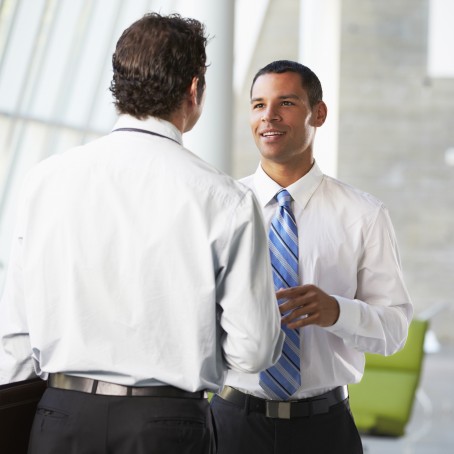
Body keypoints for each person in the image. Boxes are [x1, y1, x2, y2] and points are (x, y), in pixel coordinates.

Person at [0, 14, 284, 454]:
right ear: (194, 89)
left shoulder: (45, 180)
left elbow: (14, 331)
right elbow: (255, 350)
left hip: (59, 417)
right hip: (165, 425)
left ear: (118, 85)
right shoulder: (225, 199)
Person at [211, 60, 413, 454]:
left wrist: (336, 311)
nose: (268, 116)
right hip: (231, 422)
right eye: (258, 105)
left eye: (285, 102)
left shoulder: (365, 215)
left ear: (318, 113)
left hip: (324, 430)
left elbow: (395, 330)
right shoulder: (220, 207)